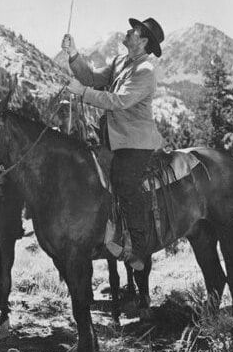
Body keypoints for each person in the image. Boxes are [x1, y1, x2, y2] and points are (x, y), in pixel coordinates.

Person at [61, 17, 165, 270]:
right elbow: (93, 78)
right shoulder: (121, 61)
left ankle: (139, 249)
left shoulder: (145, 71)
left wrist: (82, 93)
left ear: (142, 41)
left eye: (134, 31)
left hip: (135, 143)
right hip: (113, 138)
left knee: (125, 183)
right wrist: (73, 54)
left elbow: (118, 101)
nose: (128, 32)